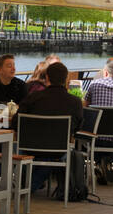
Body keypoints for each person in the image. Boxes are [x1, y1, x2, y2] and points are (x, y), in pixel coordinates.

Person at [21, 63, 83, 197]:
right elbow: (78, 127)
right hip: (59, 149)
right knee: (51, 156)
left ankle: (23, 187)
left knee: (41, 154)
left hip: (30, 146)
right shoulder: (75, 102)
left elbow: (17, 122)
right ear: (66, 79)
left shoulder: (33, 98)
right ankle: (26, 188)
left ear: (47, 77)